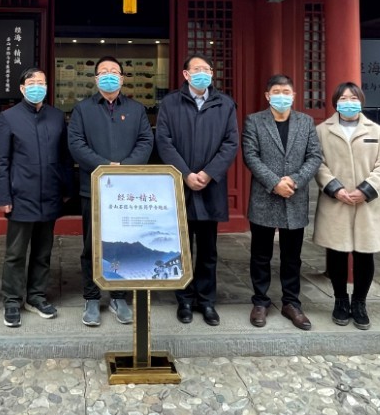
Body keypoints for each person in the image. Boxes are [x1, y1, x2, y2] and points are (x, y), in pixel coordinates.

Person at [68, 55, 153, 327]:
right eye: (103, 71)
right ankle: (91, 297)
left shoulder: (137, 109)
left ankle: (118, 296)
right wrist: (106, 167)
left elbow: (145, 141)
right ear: (95, 79)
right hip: (93, 186)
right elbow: (76, 144)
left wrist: (124, 167)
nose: (108, 75)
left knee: (121, 243)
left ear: (122, 78)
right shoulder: (83, 109)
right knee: (92, 245)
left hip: (126, 189)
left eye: (113, 71)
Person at [155, 53, 239, 326]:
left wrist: (207, 173)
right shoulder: (170, 103)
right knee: (180, 247)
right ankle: (184, 300)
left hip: (210, 185)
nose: (203, 73)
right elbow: (164, 142)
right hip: (180, 185)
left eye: (207, 69)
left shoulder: (224, 104)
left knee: (208, 249)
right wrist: (186, 174)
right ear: (186, 75)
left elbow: (230, 143)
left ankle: (207, 300)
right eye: (197, 69)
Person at [241, 74, 323, 329]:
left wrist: (294, 181)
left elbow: (315, 156)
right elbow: (250, 155)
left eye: (286, 92)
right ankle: (260, 301)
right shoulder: (254, 121)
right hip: (265, 195)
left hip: (294, 196)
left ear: (294, 95)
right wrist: (275, 182)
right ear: (267, 95)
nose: (281, 96)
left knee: (292, 255)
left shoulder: (306, 122)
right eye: (276, 91)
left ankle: (292, 302)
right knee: (260, 254)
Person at [313, 82, 380, 330]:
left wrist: (366, 189)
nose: (348, 101)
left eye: (353, 97)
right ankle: (340, 300)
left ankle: (359, 302)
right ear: (335, 101)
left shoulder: (376, 130)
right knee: (337, 252)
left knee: (364, 253)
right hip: (336, 201)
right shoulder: (322, 131)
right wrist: (335, 188)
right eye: (343, 98)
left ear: (361, 101)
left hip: (366, 203)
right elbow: (317, 163)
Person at [0, 67, 71, 328]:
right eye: (32, 83)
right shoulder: (9, 118)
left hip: (49, 194)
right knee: (15, 253)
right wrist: (3, 195)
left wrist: (66, 190)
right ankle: (12, 300)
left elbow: (64, 158)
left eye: (42, 82)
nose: (38, 86)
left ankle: (36, 296)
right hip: (20, 195)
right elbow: (1, 160)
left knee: (43, 251)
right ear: (23, 89)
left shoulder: (57, 117)